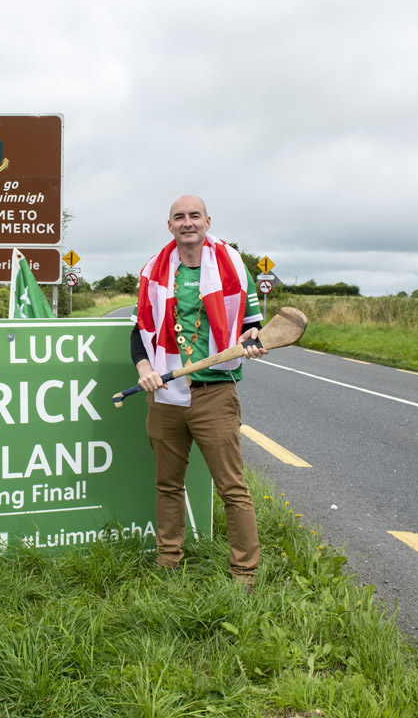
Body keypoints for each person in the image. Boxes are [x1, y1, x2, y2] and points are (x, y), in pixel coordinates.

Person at [130, 195, 266, 590]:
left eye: (194, 216)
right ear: (169, 225)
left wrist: (252, 338)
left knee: (232, 487)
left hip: (215, 393)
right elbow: (140, 332)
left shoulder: (234, 267)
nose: (187, 222)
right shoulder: (153, 273)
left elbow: (252, 324)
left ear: (207, 221)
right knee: (168, 484)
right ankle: (168, 561)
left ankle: (245, 573)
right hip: (167, 394)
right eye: (179, 217)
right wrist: (144, 369)